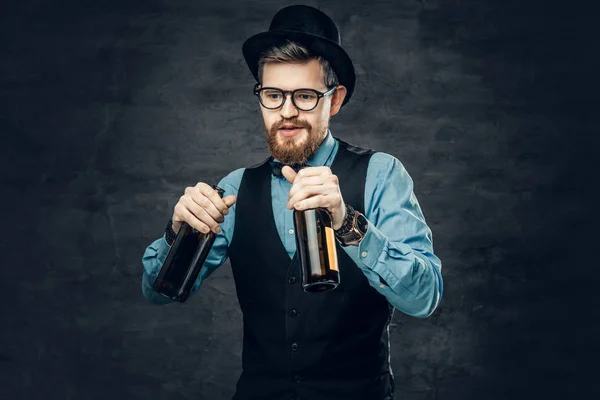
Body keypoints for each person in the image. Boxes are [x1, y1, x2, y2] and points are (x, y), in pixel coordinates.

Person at [141, 5, 443, 400]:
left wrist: (350, 226)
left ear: (333, 101)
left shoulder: (381, 175)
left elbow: (425, 299)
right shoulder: (234, 188)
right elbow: (157, 293)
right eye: (273, 95)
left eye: (304, 96)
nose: (286, 111)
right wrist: (176, 235)